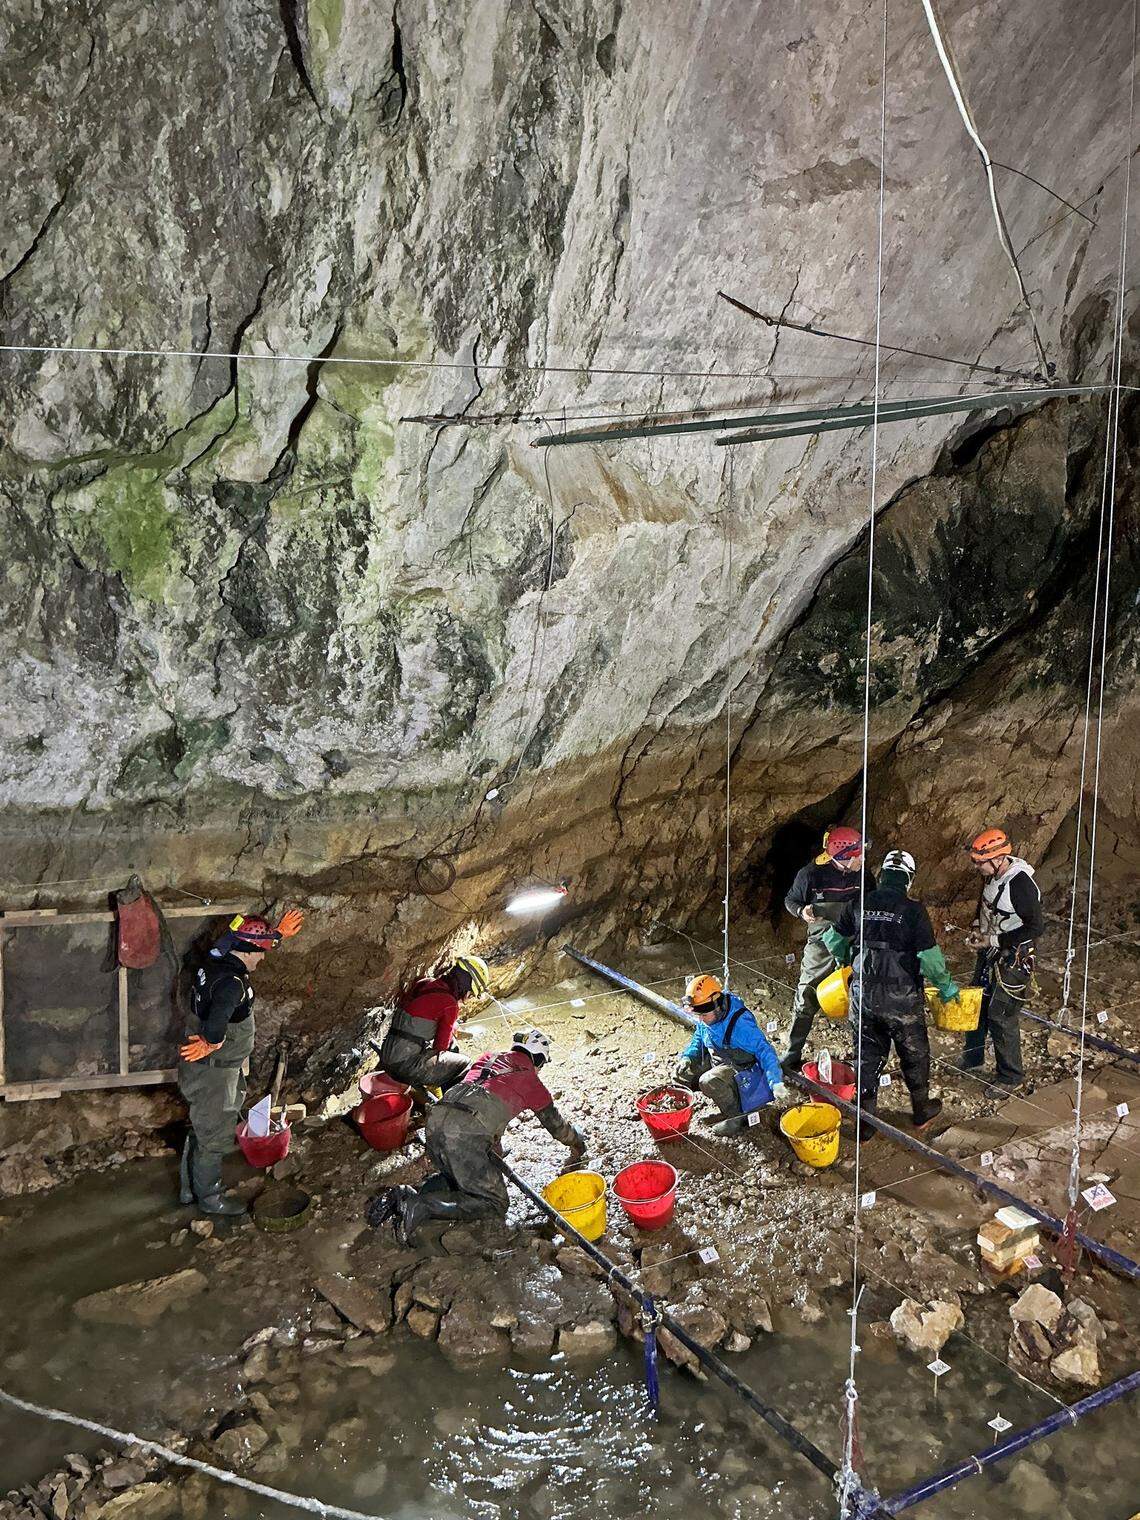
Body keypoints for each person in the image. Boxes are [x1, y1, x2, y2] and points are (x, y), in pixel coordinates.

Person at [367, 1030, 586, 1244]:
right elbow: (558, 1127)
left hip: (436, 1121)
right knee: (494, 1203)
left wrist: (493, 1144)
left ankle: (406, 1196)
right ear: (538, 1060)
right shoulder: (531, 1081)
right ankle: (422, 1205)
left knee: (458, 1174)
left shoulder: (488, 1059)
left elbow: (480, 1101)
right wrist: (578, 1143)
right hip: (464, 1134)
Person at [178, 908, 304, 1214]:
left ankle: (188, 1190)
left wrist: (277, 935)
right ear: (246, 951)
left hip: (215, 1071)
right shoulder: (232, 985)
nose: (262, 958)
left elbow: (235, 938)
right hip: (214, 1074)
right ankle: (210, 1199)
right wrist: (212, 1043)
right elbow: (218, 1020)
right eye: (260, 952)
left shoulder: (216, 957)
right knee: (213, 1136)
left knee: (202, 1127)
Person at [822, 850, 957, 1130]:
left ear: (882, 875)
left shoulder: (859, 903)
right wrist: (946, 988)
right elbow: (930, 959)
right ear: (908, 879)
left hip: (865, 995)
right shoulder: (913, 910)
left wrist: (847, 959)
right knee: (914, 1053)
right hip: (902, 999)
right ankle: (921, 1111)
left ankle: (866, 1124)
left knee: (867, 1056)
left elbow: (833, 939)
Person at [782, 826, 875, 1072]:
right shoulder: (811, 874)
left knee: (861, 997)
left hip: (854, 942)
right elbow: (791, 900)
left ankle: (862, 1058)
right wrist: (802, 911)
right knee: (806, 996)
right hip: (821, 943)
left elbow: (873, 903)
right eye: (859, 854)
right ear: (844, 856)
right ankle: (792, 1054)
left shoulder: (864, 876)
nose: (863, 858)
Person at [961, 828, 1044, 1089]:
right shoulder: (992, 877)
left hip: (1015, 957)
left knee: (1001, 1014)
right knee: (977, 1003)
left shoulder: (1020, 885)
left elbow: (1035, 927)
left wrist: (995, 941)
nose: (976, 867)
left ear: (997, 859)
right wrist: (977, 929)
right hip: (992, 950)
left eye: (979, 862)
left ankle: (1010, 1077)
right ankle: (973, 1059)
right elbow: (985, 907)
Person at [674, 974, 788, 1136]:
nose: (701, 1019)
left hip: (741, 1068)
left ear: (717, 1006)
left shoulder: (740, 1024)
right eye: (698, 1015)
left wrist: (775, 1081)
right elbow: (699, 1037)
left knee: (709, 1081)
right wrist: (688, 1057)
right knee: (680, 1075)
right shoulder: (707, 1015)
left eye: (704, 1015)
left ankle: (736, 1117)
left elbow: (765, 1050)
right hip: (718, 1059)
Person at [377, 955, 491, 1092]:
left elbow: (419, 1015)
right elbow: (441, 1048)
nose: (468, 996)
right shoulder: (450, 1004)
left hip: (386, 1055)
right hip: (403, 1067)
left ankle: (431, 1093)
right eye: (471, 993)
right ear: (467, 984)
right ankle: (448, 1104)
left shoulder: (425, 983)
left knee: (452, 1048)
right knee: (464, 1064)